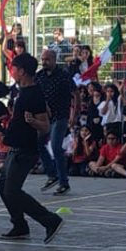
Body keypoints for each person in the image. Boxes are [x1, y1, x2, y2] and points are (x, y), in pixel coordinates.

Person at [0, 53, 64, 241]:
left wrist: (34, 121)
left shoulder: (34, 93)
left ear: (22, 71)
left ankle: (50, 220)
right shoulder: (21, 91)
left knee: (12, 190)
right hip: (15, 148)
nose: (12, 72)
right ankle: (19, 225)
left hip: (26, 150)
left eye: (14, 69)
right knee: (3, 187)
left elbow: (45, 126)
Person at [36, 48, 77, 195]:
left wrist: (74, 114)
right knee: (39, 143)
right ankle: (52, 175)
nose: (44, 62)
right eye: (43, 59)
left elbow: (75, 94)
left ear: (54, 60)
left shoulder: (63, 76)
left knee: (55, 146)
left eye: (47, 59)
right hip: (45, 117)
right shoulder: (39, 76)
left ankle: (63, 182)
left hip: (60, 116)